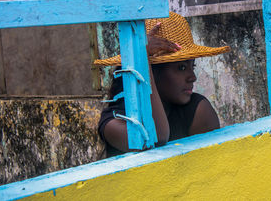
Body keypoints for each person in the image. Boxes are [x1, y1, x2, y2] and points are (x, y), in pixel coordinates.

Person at [94, 12, 230, 156]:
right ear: (151, 72)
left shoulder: (197, 110)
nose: (193, 77)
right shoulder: (114, 121)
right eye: (182, 68)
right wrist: (141, 55)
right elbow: (156, 138)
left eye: (192, 66)